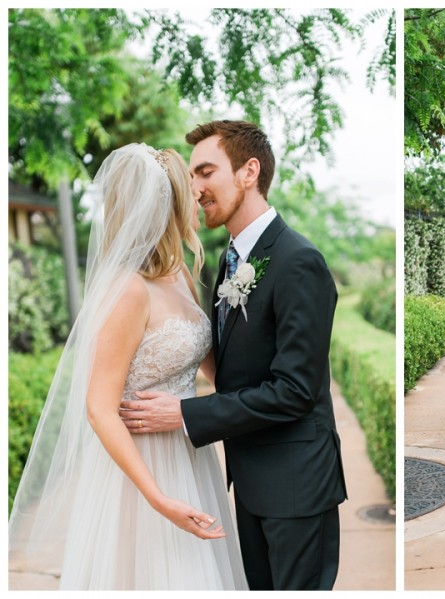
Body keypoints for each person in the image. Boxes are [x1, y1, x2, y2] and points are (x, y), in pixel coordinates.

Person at [8, 144, 248, 590]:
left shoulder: (179, 275)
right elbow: (99, 408)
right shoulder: (129, 291)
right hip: (143, 471)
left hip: (189, 455)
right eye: (189, 190)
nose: (198, 196)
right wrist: (158, 498)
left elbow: (214, 368)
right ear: (166, 207)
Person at [119, 120, 347, 590]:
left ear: (249, 172)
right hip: (248, 480)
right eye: (193, 176)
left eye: (206, 172)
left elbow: (295, 391)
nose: (195, 188)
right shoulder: (230, 261)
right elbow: (233, 363)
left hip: (297, 484)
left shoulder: (298, 261)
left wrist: (186, 413)